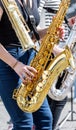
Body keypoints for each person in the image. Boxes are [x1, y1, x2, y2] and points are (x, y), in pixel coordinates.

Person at [0, 0, 64, 130]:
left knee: (45, 119)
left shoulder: (32, 1)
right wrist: (16, 64)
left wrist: (49, 31)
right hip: (8, 63)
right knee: (23, 122)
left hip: (30, 60)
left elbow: (30, 34)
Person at [38, 0, 76, 129]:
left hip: (58, 47)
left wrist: (69, 22)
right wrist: (54, 49)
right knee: (53, 97)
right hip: (47, 50)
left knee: (58, 97)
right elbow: (33, 24)